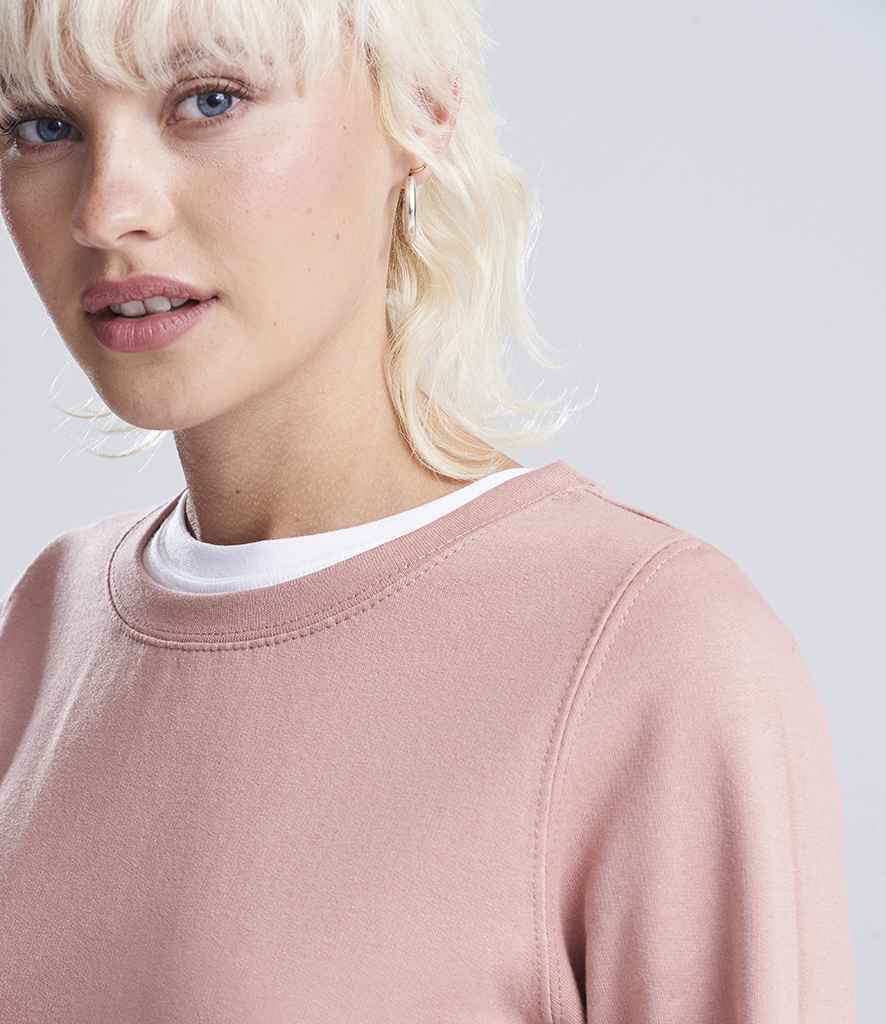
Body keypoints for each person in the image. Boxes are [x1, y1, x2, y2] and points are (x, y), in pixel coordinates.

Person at [0, 3, 856, 1022]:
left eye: (210, 100)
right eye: (42, 125)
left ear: (422, 107)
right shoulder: (53, 619)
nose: (106, 211)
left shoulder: (646, 647)